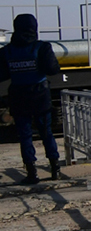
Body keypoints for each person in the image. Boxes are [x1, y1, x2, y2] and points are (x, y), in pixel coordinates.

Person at [0, 14, 62, 184]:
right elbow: (53, 69)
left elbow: (2, 74)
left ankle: (32, 173)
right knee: (46, 133)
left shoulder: (7, 51)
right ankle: (55, 168)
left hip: (19, 97)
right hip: (40, 96)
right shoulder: (41, 47)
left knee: (25, 135)